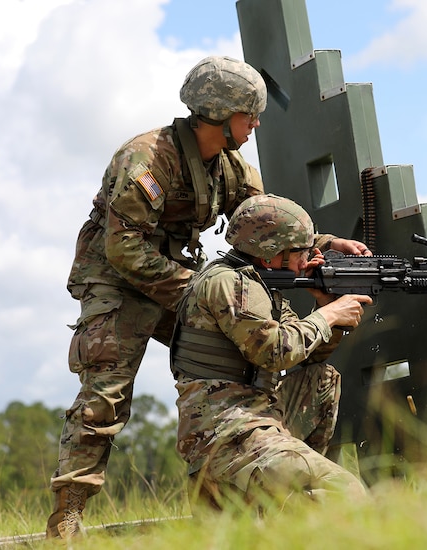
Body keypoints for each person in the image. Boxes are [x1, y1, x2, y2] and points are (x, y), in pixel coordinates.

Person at [46, 56, 371, 539]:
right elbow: (123, 248)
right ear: (217, 113)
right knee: (106, 393)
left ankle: (246, 474)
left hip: (178, 277)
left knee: (255, 350)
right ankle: (67, 516)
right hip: (115, 278)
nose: (256, 125)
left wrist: (320, 245)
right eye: (249, 115)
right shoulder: (145, 159)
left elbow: (262, 226)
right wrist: (201, 292)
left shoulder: (231, 167)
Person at [171, 194, 373, 513]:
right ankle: (280, 500)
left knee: (321, 379)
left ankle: (284, 490)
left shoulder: (261, 286)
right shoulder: (231, 284)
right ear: (270, 255)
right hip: (226, 434)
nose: (309, 259)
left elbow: (306, 357)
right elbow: (275, 352)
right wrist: (330, 314)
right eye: (301, 252)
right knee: (345, 492)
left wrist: (323, 305)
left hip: (257, 418)